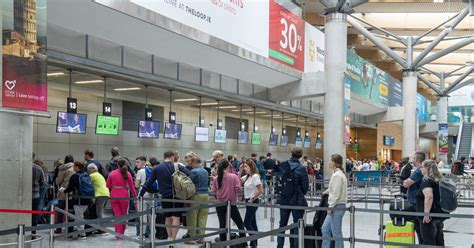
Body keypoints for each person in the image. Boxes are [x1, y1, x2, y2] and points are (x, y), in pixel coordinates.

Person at [140, 151, 191, 241]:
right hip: (178, 196)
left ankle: (169, 237)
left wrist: (141, 193)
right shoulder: (177, 166)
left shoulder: (157, 168)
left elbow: (148, 182)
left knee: (167, 217)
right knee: (176, 217)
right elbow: (190, 174)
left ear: (164, 157)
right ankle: (173, 239)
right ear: (172, 157)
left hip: (165, 196)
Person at [276, 147, 309, 248]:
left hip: (284, 198)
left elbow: (278, 182)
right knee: (296, 226)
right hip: (297, 200)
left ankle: (279, 246)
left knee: (282, 225)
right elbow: (305, 187)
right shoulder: (301, 168)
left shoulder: (283, 165)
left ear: (291, 153)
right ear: (300, 156)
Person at [213, 160, 247, 244]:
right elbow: (238, 189)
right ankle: (244, 243)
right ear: (228, 167)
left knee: (222, 224)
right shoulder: (233, 177)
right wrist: (244, 188)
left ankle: (223, 243)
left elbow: (214, 191)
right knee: (240, 224)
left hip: (219, 204)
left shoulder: (216, 178)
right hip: (231, 204)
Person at [416, 160, 447, 246]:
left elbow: (429, 197)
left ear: (427, 168)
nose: (420, 169)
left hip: (430, 216)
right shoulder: (439, 179)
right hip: (439, 213)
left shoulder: (427, 180)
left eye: (422, 167)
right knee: (439, 238)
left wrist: (426, 214)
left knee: (428, 240)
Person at [106, 158, 137, 239]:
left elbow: (107, 185)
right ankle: (121, 233)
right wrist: (135, 197)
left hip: (114, 195)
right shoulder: (128, 174)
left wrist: (112, 189)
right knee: (123, 215)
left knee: (117, 216)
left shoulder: (112, 173)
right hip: (124, 195)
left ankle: (118, 235)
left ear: (117, 165)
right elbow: (132, 187)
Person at [62, 161, 93, 240]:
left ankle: (81, 234)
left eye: (74, 166)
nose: (73, 168)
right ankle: (77, 232)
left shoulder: (75, 176)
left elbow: (70, 188)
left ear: (77, 167)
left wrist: (64, 190)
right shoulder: (87, 175)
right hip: (87, 199)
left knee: (79, 216)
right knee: (79, 215)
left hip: (78, 199)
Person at [322, 154, 348, 248]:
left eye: (330, 161)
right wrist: (326, 192)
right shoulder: (338, 174)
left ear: (334, 162)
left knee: (336, 232)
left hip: (337, 206)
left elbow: (336, 193)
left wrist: (330, 206)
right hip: (336, 205)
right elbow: (334, 188)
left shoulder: (337, 175)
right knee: (325, 229)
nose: (328, 163)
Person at [403, 152, 426, 244]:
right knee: (420, 226)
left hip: (415, 201)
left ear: (416, 159)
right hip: (419, 200)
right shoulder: (423, 169)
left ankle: (421, 244)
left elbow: (406, 184)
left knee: (418, 226)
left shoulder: (418, 171)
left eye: (413, 158)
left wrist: (406, 181)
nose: (412, 160)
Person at [185, 156, 209, 245]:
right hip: (206, 195)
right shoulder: (205, 171)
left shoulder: (193, 171)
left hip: (196, 195)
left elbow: (188, 184)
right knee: (203, 216)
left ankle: (191, 238)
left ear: (194, 162)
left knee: (192, 216)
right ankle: (201, 238)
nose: (190, 165)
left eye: (191, 163)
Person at [241, 159, 263, 248]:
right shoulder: (247, 176)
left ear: (251, 167)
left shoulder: (255, 176)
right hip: (247, 201)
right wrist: (240, 170)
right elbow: (238, 179)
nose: (245, 168)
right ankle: (254, 243)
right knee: (253, 223)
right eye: (244, 166)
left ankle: (253, 242)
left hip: (253, 201)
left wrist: (253, 198)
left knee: (247, 223)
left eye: (246, 166)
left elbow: (261, 190)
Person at [135, 156, 157, 239]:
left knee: (142, 215)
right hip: (152, 195)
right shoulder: (154, 171)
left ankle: (142, 235)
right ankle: (152, 234)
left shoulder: (140, 171)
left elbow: (136, 185)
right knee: (151, 215)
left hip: (143, 194)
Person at [54, 155, 75, 234]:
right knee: (70, 210)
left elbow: (58, 181)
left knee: (60, 210)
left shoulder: (61, 169)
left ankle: (59, 229)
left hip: (62, 191)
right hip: (71, 192)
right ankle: (70, 228)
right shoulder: (74, 168)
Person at [87, 164, 109, 235]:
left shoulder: (92, 176)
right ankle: (99, 228)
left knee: (99, 213)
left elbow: (87, 184)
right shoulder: (99, 175)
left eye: (88, 169)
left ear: (91, 169)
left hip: (100, 194)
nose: (88, 171)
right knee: (100, 212)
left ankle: (102, 230)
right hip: (106, 194)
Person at [32, 160, 46, 234]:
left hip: (23, 197)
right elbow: (43, 183)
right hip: (35, 196)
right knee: (34, 215)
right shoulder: (38, 168)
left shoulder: (22, 167)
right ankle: (33, 233)